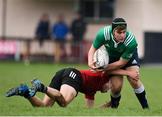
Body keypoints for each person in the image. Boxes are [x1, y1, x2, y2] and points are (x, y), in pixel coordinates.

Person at [88, 17, 149, 109]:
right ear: (113, 31)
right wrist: (90, 63)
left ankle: (146, 108)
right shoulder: (103, 34)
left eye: (124, 32)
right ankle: (114, 108)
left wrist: (102, 68)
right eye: (119, 33)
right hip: (112, 57)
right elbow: (93, 49)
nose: (122, 35)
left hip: (127, 58)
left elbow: (121, 63)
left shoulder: (131, 41)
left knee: (134, 80)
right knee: (116, 87)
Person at [5, 67, 138, 108]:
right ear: (109, 81)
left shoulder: (92, 91)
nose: (109, 89)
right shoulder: (103, 75)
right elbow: (110, 70)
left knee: (44, 107)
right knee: (63, 102)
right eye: (110, 86)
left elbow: (90, 111)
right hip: (74, 75)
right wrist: (129, 73)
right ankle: (41, 87)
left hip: (63, 73)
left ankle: (25, 92)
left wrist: (108, 105)